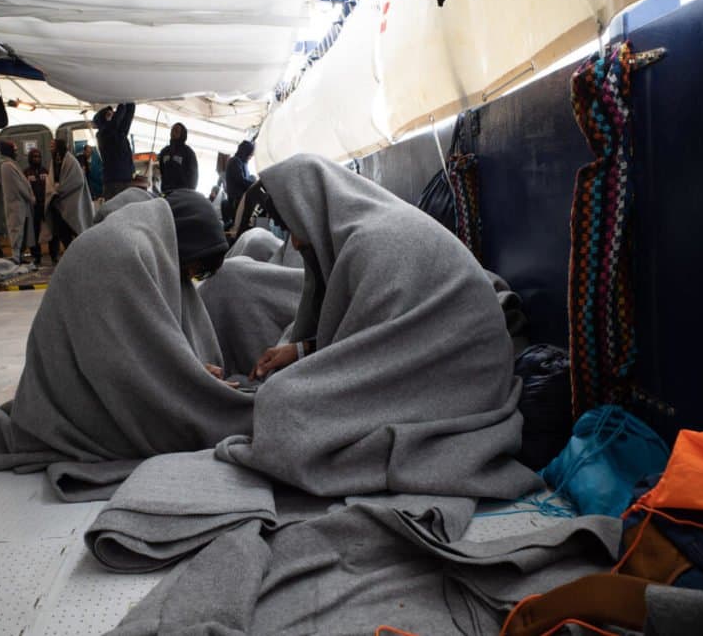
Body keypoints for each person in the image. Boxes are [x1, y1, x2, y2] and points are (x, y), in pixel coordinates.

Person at [214, 153, 539, 499]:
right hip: (434, 365)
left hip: (462, 380)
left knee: (281, 404)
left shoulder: (373, 242)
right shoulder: (365, 234)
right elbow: (377, 337)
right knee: (284, 394)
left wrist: (298, 380)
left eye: (294, 227)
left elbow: (370, 353)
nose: (294, 243)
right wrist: (300, 350)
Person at [0, 189, 249, 500]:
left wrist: (191, 370)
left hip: (71, 390)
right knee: (209, 425)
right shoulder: (124, 251)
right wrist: (191, 386)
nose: (187, 277)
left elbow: (140, 347)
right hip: (75, 407)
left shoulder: (136, 236)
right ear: (185, 240)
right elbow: (127, 372)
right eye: (191, 268)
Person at [42, 138, 93, 259]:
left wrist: (61, 189)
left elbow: (78, 180)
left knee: (75, 228)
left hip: (71, 202)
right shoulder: (53, 161)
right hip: (58, 203)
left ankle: (84, 255)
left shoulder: (71, 161)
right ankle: (71, 255)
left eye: (53, 146)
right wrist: (53, 191)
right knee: (61, 231)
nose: (50, 148)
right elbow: (50, 179)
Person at [0, 140, 35, 264]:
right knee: (16, 231)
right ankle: (16, 257)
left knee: (21, 231)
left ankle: (19, 256)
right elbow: (19, 186)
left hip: (20, 205)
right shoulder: (7, 166)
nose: (17, 153)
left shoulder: (11, 165)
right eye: (14, 151)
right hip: (16, 205)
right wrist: (31, 198)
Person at [93, 103, 136, 195]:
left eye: (113, 114)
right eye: (109, 115)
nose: (113, 116)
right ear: (102, 120)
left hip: (125, 179)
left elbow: (127, 119)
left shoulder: (119, 133)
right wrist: (122, 104)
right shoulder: (103, 134)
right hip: (114, 182)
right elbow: (116, 120)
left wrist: (130, 104)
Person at [24, 147, 54, 266]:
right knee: (35, 231)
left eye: (38, 156)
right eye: (34, 157)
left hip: (46, 205)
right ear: (30, 158)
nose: (37, 159)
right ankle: (37, 256)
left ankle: (54, 255)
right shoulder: (26, 172)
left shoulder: (45, 171)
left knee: (51, 230)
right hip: (34, 207)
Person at [159, 122, 198, 193]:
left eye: (176, 131)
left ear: (182, 134)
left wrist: (190, 192)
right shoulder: (164, 151)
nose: (173, 133)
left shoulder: (188, 152)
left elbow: (194, 175)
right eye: (172, 130)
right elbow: (162, 170)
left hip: (182, 192)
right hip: (166, 191)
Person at [224, 140, 256, 225]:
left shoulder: (243, 163)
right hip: (236, 200)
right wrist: (255, 184)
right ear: (245, 152)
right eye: (250, 154)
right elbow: (240, 180)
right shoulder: (235, 161)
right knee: (237, 224)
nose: (251, 157)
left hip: (241, 200)